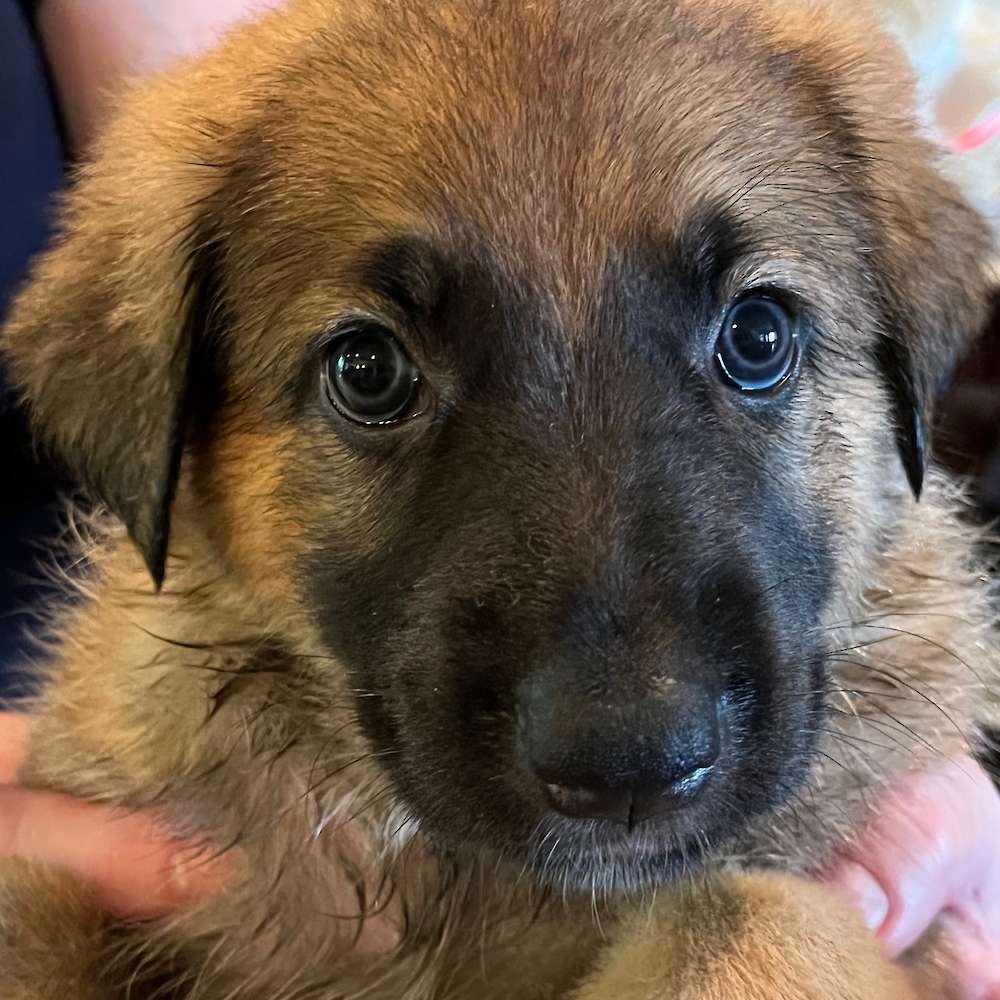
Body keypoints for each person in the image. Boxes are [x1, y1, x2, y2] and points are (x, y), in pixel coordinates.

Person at [0, 2, 997, 995]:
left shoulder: (876, 724)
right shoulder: (153, 767)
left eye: (756, 343)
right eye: (372, 375)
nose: (637, 732)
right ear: (186, 426)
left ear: (889, 372)